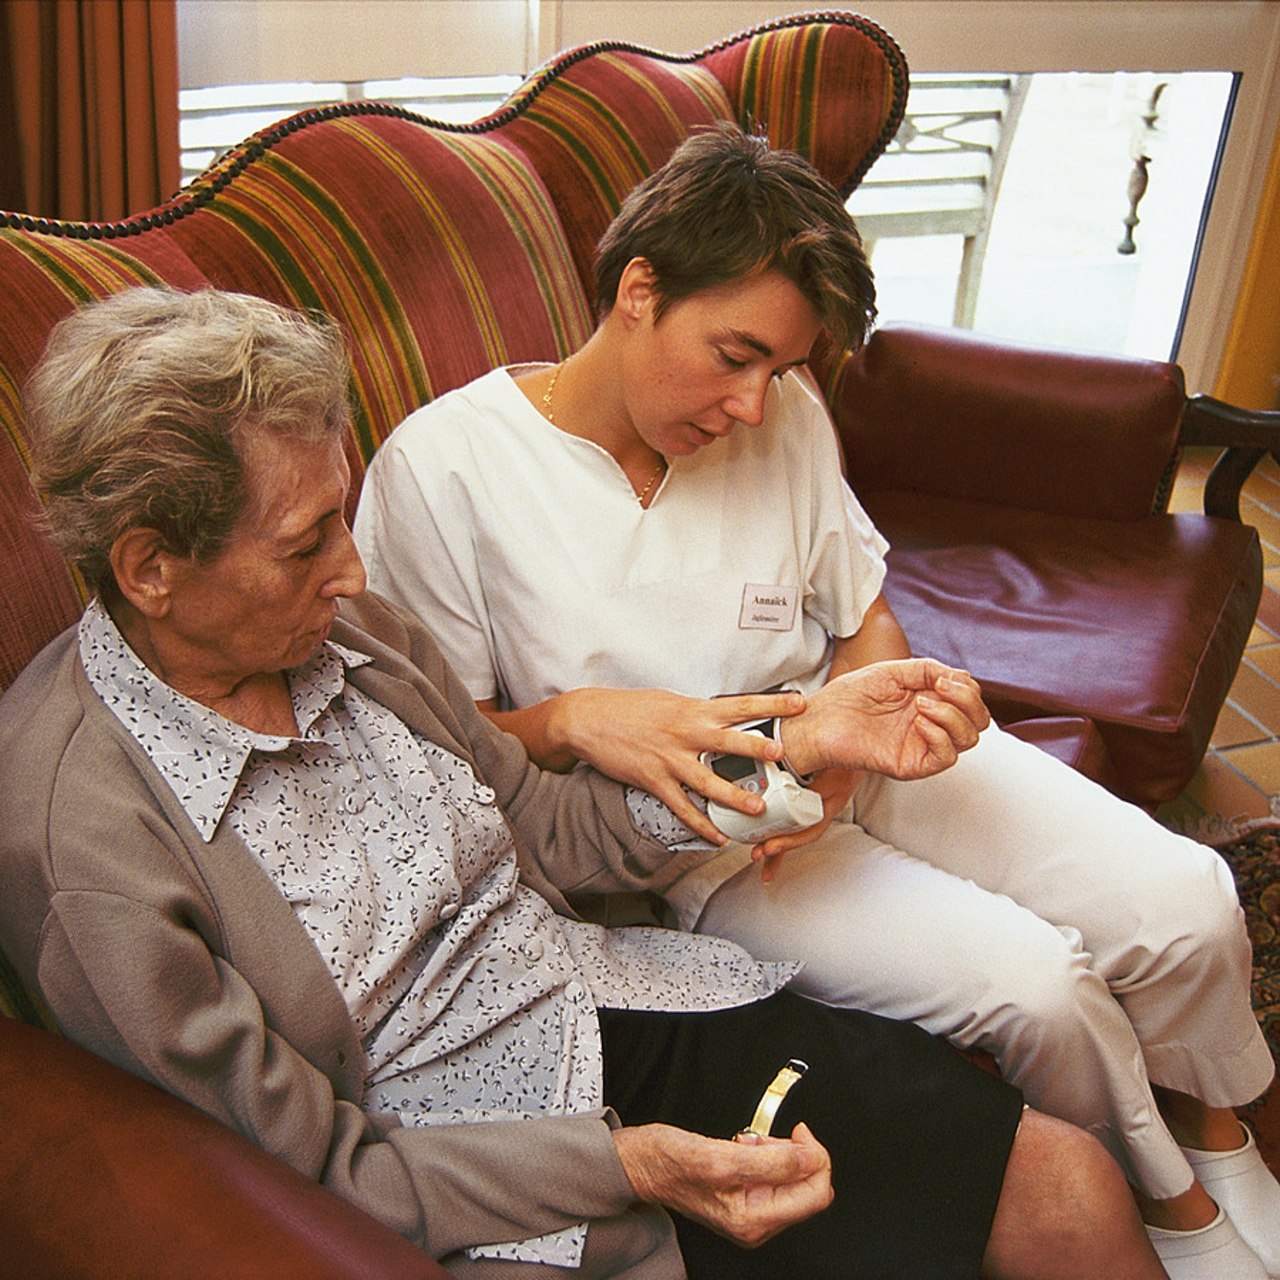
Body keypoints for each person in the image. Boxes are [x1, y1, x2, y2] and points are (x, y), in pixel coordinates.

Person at [0, 286, 1167, 1279]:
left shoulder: (351, 640)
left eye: (342, 516)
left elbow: (548, 828)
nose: (353, 571)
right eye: (306, 542)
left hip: (606, 999)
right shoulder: (87, 842)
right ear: (152, 566)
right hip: (468, 1172)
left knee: (1063, 1187)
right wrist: (631, 1161)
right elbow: (316, 1169)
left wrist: (800, 739)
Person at [354, 123, 1280, 1279]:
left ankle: (1216, 1118)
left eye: (780, 369)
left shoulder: (783, 419)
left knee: (1186, 894)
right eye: (732, 354)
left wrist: (873, 720)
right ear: (637, 290)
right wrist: (571, 715)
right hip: (710, 849)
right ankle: (1166, 1197)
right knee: (1038, 985)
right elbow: (423, 751)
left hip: (848, 753)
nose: (754, 405)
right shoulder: (441, 472)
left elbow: (860, 612)